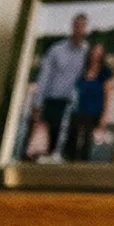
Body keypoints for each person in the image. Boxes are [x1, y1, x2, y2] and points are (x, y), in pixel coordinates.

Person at [32, 13, 91, 160]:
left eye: (82, 26)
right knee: (52, 137)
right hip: (54, 99)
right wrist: (37, 103)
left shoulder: (87, 52)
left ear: (86, 29)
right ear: (72, 27)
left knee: (71, 140)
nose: (79, 30)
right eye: (77, 26)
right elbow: (44, 77)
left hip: (75, 103)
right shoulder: (56, 50)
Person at [68, 42, 110, 161]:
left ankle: (82, 168)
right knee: (71, 140)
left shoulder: (104, 72)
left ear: (102, 54)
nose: (95, 54)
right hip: (77, 110)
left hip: (94, 112)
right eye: (93, 51)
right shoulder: (82, 69)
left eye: (99, 52)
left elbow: (107, 96)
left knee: (86, 143)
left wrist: (104, 117)